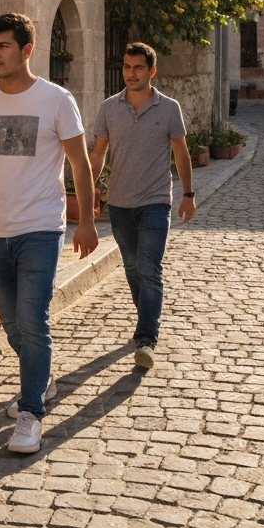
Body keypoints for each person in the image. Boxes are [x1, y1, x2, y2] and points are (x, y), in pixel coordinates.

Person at [0, 12, 98, 454]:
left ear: (27, 50)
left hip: (41, 228)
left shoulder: (56, 100)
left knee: (33, 320)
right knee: (12, 324)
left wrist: (85, 219)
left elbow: (79, 163)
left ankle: (31, 412)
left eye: (3, 46)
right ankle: (42, 375)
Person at [89, 42, 193, 371]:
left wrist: (188, 194)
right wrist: (88, 185)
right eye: (126, 67)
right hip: (119, 203)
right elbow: (98, 153)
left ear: (151, 71)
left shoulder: (169, 108)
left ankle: (146, 337)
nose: (130, 73)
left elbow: (181, 153)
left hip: (155, 201)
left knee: (150, 269)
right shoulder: (108, 108)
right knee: (133, 268)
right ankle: (145, 317)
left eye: (137, 67)